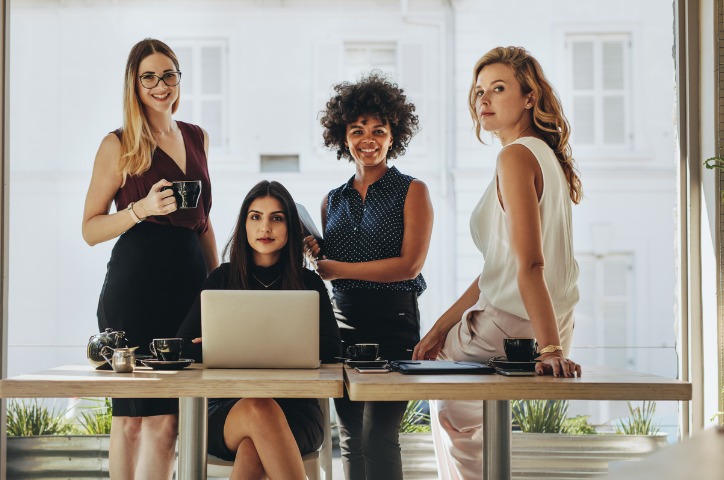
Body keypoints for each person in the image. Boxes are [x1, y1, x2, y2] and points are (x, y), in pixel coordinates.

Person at [412, 46, 583, 479]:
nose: (483, 99)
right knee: (469, 416)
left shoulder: (514, 157)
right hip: (548, 318)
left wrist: (549, 351)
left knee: (453, 413)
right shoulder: (547, 156)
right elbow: (499, 270)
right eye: (479, 91)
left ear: (530, 97)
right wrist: (440, 329)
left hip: (513, 323)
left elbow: (530, 264)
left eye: (499, 88)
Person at [82, 38, 218, 479]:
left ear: (179, 79)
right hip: (135, 285)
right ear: (135, 85)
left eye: (169, 75)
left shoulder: (197, 136)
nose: (161, 86)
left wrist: (217, 286)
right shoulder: (118, 143)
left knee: (168, 421)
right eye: (149, 77)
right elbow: (90, 229)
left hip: (187, 287)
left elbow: (203, 222)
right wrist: (140, 210)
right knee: (131, 419)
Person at [307, 72, 434, 480]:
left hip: (395, 324)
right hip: (343, 327)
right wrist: (316, 253)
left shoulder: (413, 191)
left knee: (379, 435)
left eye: (379, 130)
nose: (368, 139)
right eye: (358, 129)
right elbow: (333, 268)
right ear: (342, 135)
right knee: (351, 439)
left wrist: (337, 268)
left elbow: (409, 264)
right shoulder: (333, 200)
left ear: (393, 136)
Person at [176, 180, 341, 480]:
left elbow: (332, 348)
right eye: (256, 217)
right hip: (227, 410)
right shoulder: (221, 279)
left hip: (298, 409)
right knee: (258, 409)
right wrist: (214, 346)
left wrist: (227, 345)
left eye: (276, 218)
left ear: (290, 226)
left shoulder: (309, 283)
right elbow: (181, 345)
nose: (265, 227)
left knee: (253, 447)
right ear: (244, 224)